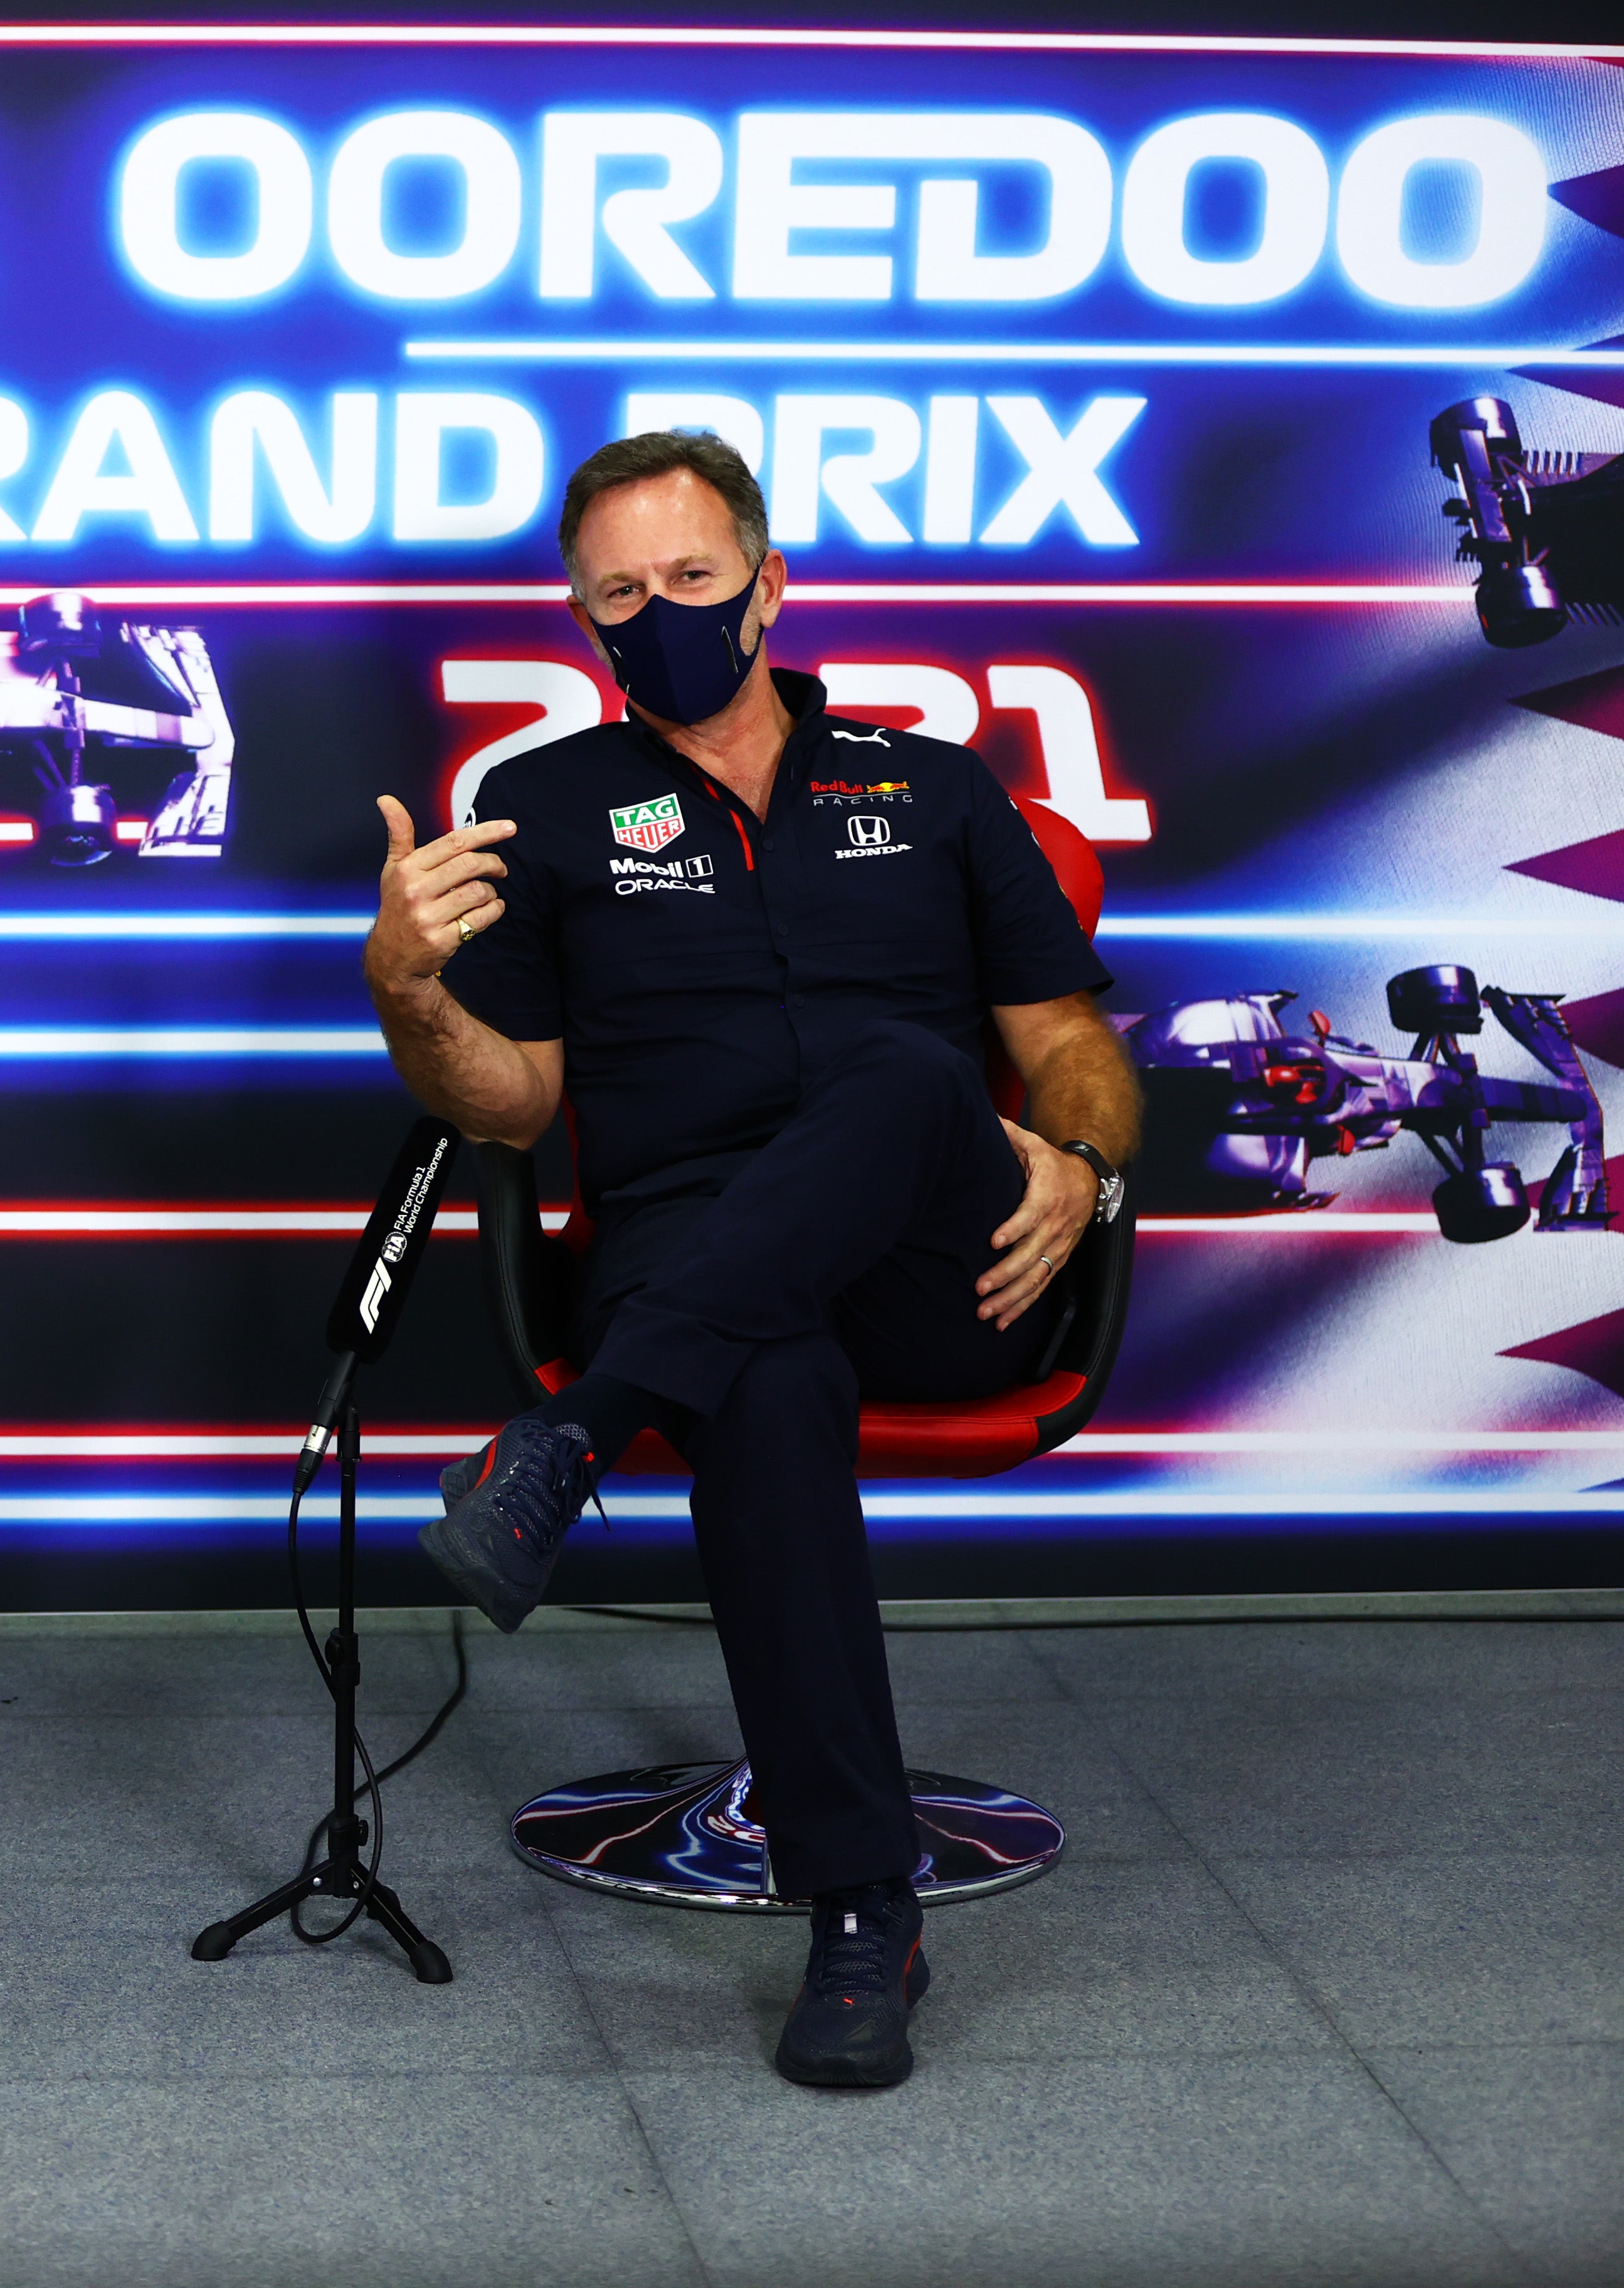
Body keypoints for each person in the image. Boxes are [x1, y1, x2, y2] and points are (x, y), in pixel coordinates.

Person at [367, 429, 1139, 2089]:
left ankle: (571, 1445)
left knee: (908, 1070)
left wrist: (1078, 1163)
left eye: (693, 580)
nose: (659, 613)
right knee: (766, 1371)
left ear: (770, 587)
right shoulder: (540, 805)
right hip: (686, 1253)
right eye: (619, 595)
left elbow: (1068, 1041)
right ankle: (867, 1913)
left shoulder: (930, 789)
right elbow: (512, 1108)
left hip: (947, 1267)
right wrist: (409, 994)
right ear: (585, 622)